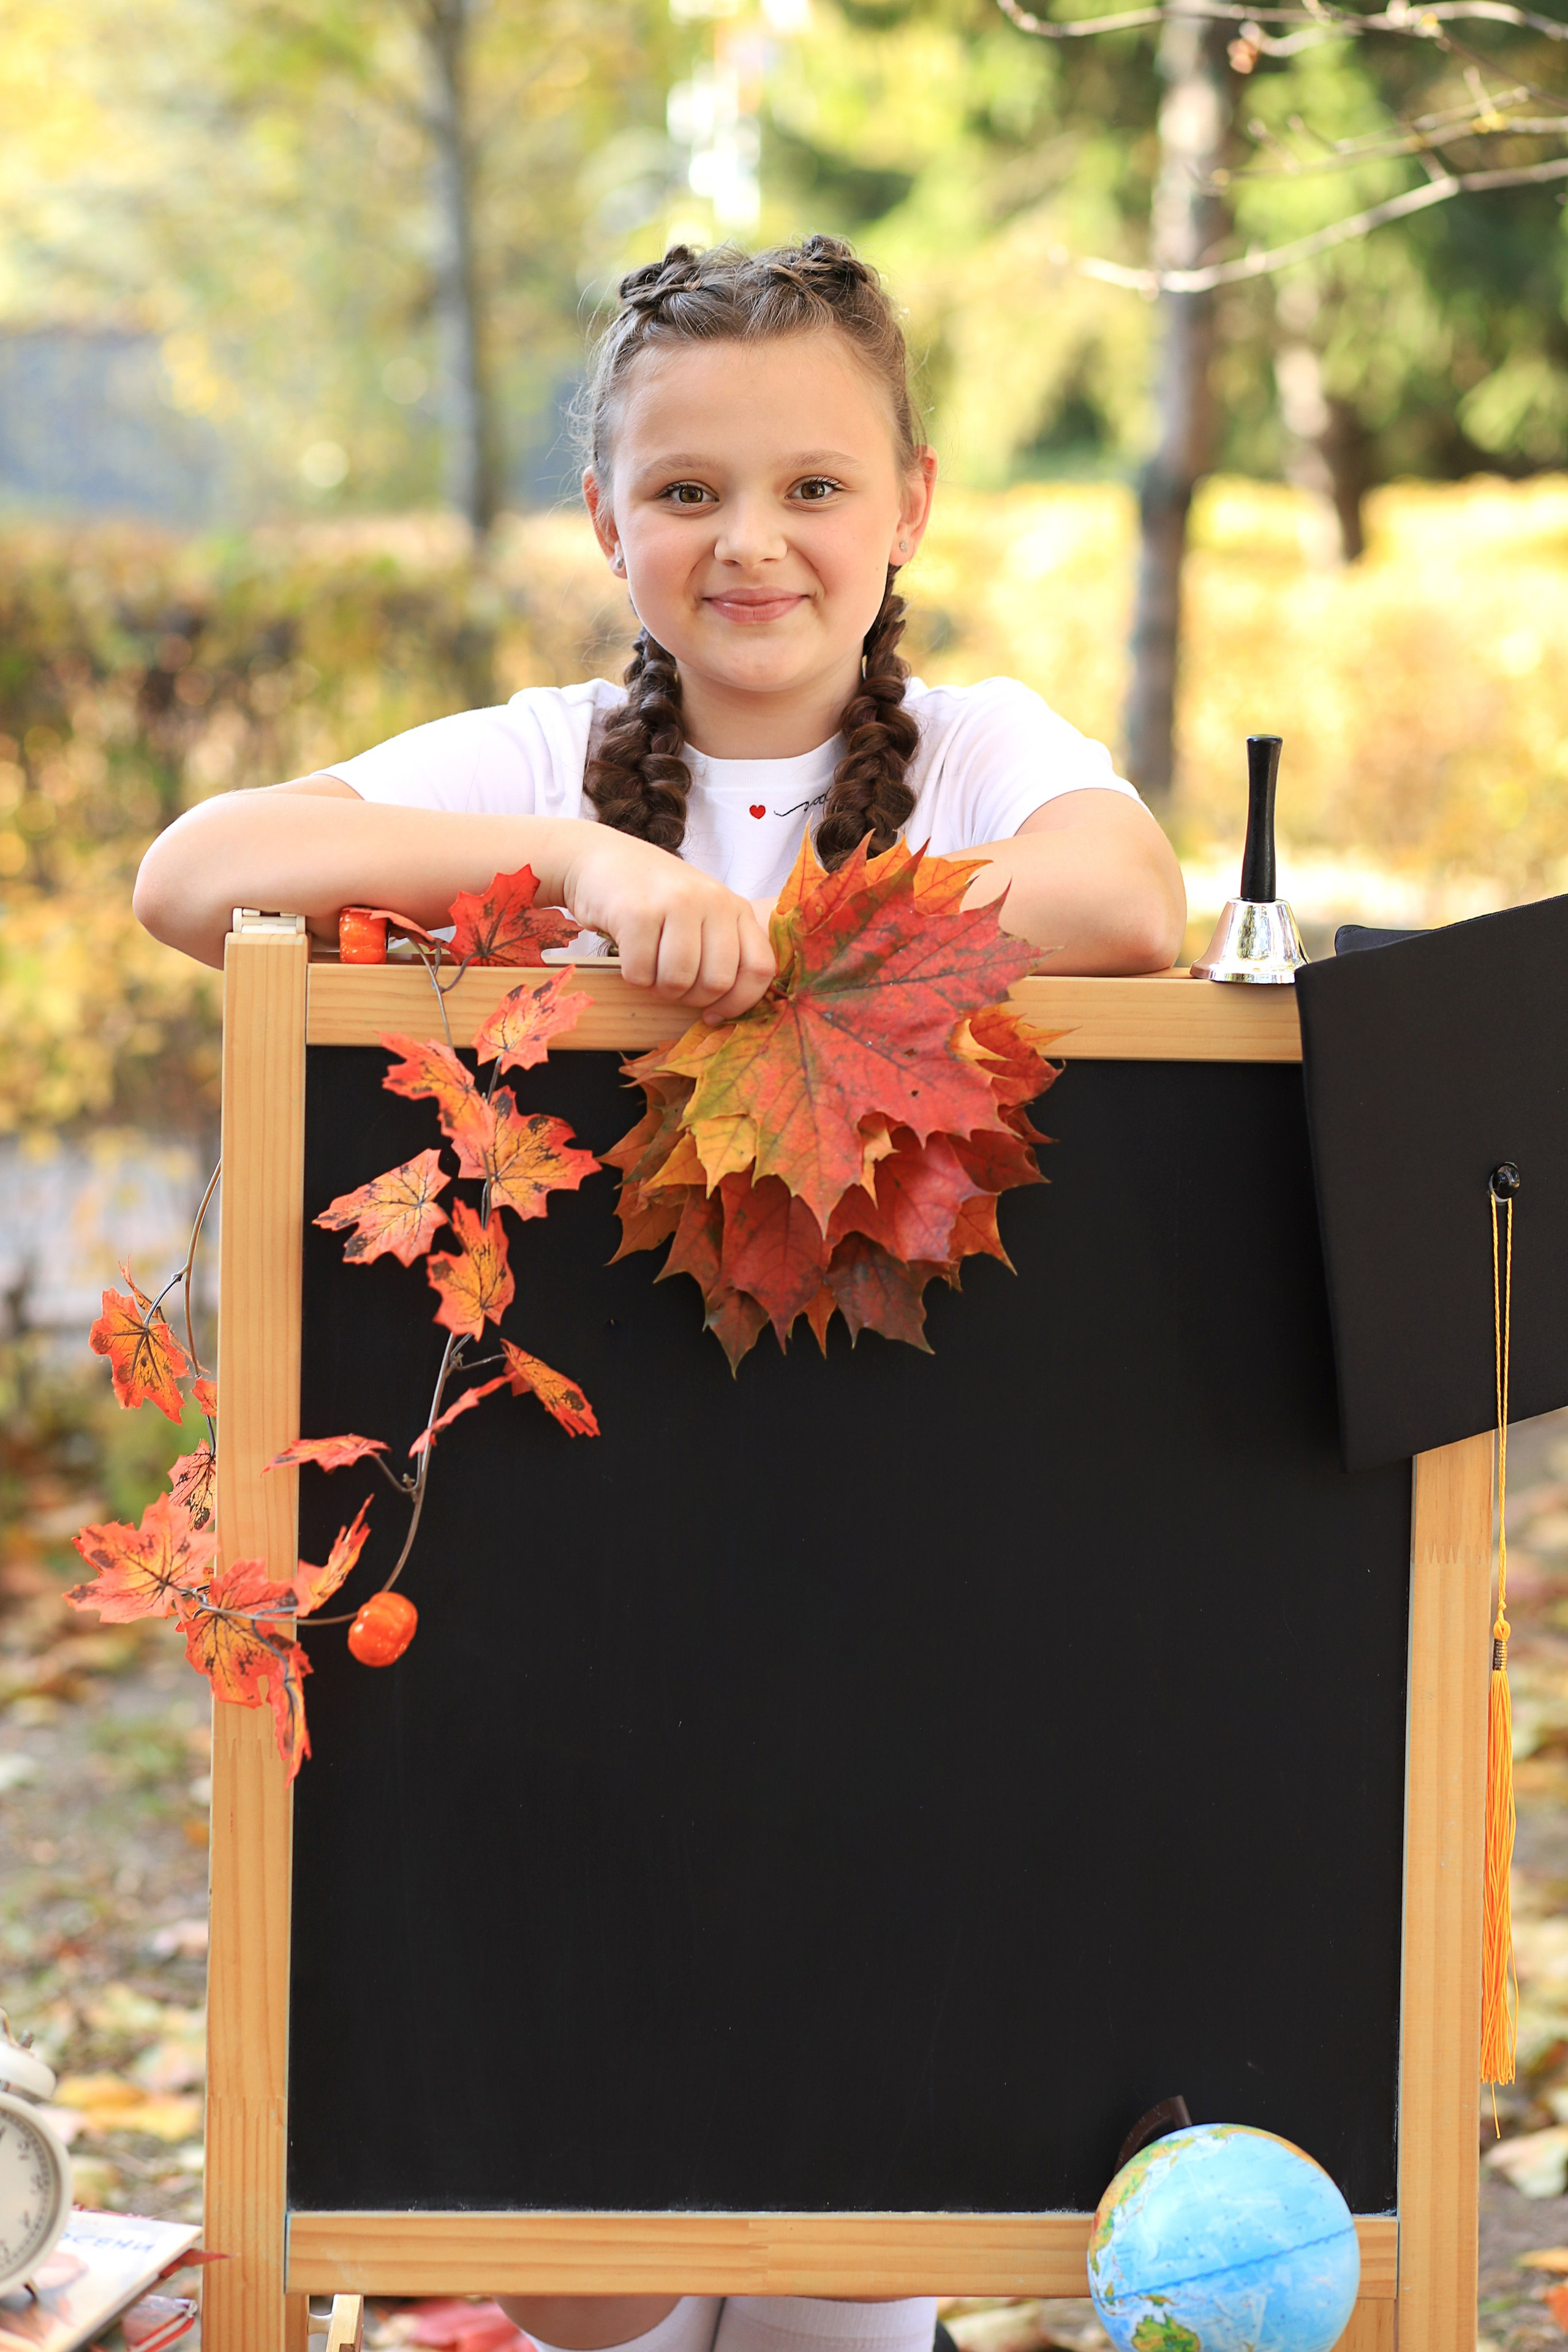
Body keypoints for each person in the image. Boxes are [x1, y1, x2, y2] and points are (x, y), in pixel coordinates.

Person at [135, 237, 1186, 2352]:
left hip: (895, 1596)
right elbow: (192, 873)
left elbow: (1129, 900)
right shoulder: (537, 760)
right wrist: (585, 874)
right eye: (689, 491)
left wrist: (797, 947)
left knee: (845, 2224)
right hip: (587, 1596)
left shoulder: (980, 749)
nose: (752, 543)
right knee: (598, 2259)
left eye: (815, 488)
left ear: (910, 506)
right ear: (608, 521)